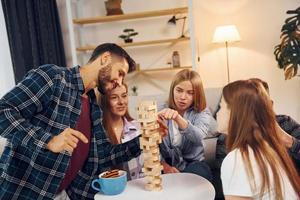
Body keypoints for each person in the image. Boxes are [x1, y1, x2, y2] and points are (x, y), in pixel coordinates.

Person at [0, 43, 166, 200]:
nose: (120, 82)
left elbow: (104, 155)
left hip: (67, 195)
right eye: (120, 73)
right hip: (24, 193)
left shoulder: (94, 107)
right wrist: (48, 141)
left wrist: (145, 138)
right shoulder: (53, 78)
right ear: (105, 58)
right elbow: (3, 111)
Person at [218, 80, 300, 199]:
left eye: (221, 107)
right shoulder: (268, 151)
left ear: (235, 113)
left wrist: (286, 139)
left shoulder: (239, 159)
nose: (217, 113)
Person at [158, 69, 217, 181]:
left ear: (197, 95)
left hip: (194, 164)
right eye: (179, 90)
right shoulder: (162, 110)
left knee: (198, 174)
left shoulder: (202, 112)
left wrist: (177, 118)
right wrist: (164, 165)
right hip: (168, 164)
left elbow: (198, 137)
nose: (183, 97)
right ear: (172, 90)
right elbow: (152, 144)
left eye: (190, 93)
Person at [100, 83, 143, 180]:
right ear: (105, 101)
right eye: (114, 97)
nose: (121, 102)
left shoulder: (137, 127)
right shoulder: (99, 135)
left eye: (124, 96)